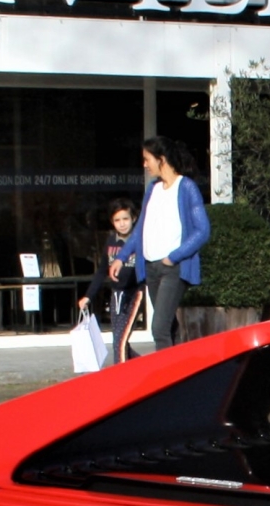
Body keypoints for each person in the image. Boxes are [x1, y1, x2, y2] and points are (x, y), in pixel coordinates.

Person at [132, 135, 209, 355]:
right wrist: (121, 257)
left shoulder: (186, 187)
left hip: (172, 268)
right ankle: (181, 369)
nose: (145, 165)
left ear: (161, 159)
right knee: (168, 325)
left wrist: (174, 256)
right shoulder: (152, 189)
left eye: (147, 159)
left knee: (159, 328)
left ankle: (164, 378)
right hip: (152, 268)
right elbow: (140, 229)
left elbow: (202, 230)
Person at [78, 197, 143, 363]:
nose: (122, 224)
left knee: (120, 342)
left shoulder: (140, 241)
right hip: (116, 295)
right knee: (118, 341)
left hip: (134, 294)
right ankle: (143, 365)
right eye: (117, 220)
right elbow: (101, 271)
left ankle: (120, 378)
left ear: (134, 218)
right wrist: (88, 296)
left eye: (125, 219)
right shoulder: (111, 241)